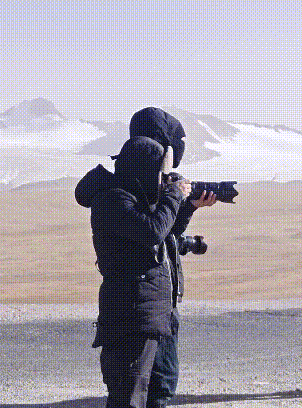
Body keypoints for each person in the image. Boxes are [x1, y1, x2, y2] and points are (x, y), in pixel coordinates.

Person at [76, 107, 216, 408]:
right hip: (131, 313)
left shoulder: (140, 197)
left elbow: (165, 236)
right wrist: (174, 195)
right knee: (129, 396)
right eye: (158, 172)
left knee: (160, 390)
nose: (162, 178)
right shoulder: (115, 197)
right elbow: (152, 231)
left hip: (155, 312)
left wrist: (187, 207)